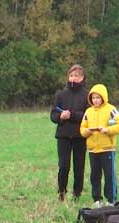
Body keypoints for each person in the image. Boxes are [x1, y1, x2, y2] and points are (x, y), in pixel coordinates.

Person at [80, 83, 119, 208]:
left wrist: (107, 130)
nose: (95, 100)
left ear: (103, 98)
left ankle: (111, 200)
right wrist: (87, 131)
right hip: (92, 150)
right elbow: (82, 129)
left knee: (109, 175)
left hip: (107, 149)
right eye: (93, 98)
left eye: (98, 97)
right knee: (94, 175)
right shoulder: (88, 112)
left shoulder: (111, 110)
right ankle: (97, 199)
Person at [50, 64, 89, 202]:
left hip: (80, 136)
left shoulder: (87, 95)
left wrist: (71, 115)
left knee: (79, 167)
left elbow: (87, 115)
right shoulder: (61, 94)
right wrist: (61, 117)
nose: (73, 78)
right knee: (64, 166)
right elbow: (53, 114)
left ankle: (77, 194)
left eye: (76, 76)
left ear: (82, 78)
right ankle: (61, 193)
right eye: (71, 75)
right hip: (63, 136)